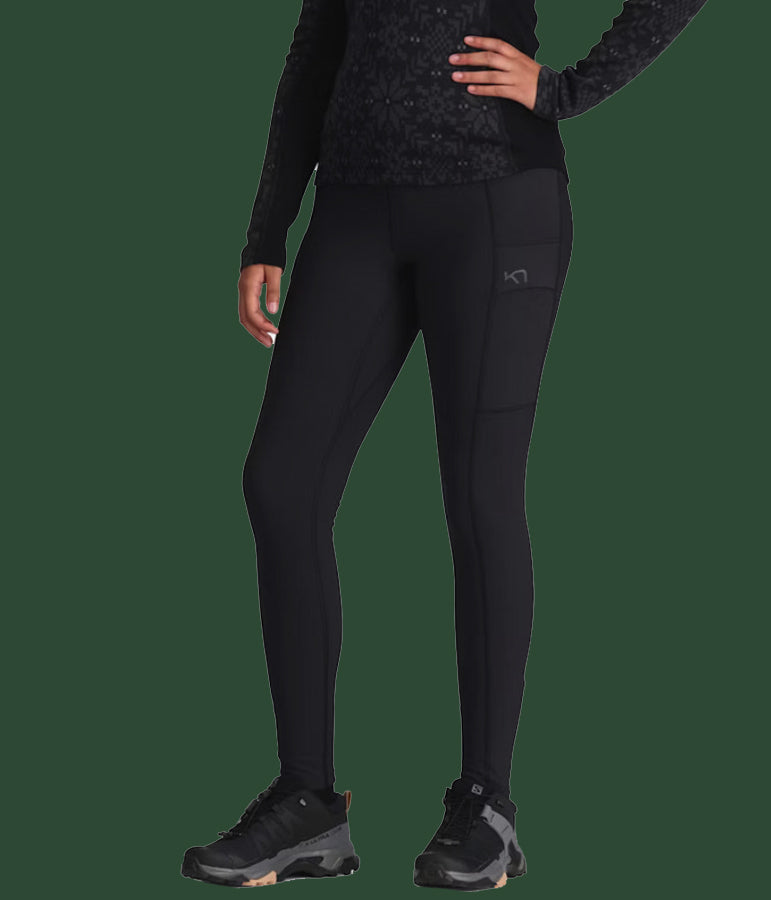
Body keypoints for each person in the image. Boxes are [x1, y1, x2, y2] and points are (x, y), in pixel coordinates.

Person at [182, 0, 708, 890]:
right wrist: (268, 226)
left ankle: (487, 807)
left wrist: (566, 90)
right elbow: (317, 47)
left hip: (495, 201)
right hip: (354, 212)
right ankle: (307, 802)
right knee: (280, 484)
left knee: (478, 496)